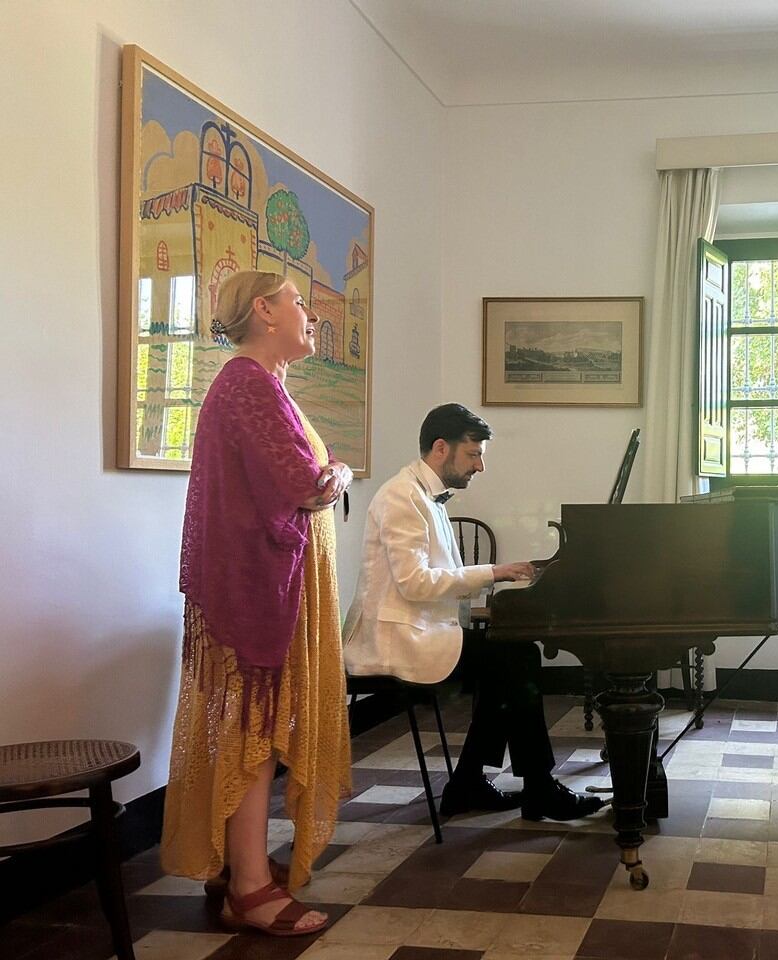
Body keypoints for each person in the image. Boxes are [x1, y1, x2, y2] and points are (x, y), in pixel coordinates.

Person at [161, 271, 353, 937]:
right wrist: (343, 474)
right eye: (298, 302)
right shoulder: (247, 380)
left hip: (263, 584)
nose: (307, 314)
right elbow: (305, 484)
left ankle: (242, 869)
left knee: (254, 736)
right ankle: (249, 886)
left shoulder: (258, 382)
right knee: (254, 736)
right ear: (265, 311)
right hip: (256, 591)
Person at [344, 403, 604, 821]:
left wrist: (499, 576)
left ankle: (471, 784)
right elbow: (415, 582)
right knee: (513, 657)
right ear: (441, 448)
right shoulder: (401, 496)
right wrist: (493, 573)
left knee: (507, 657)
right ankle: (533, 787)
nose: (480, 466)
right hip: (395, 641)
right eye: (473, 454)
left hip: (422, 630)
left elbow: (435, 576)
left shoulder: (423, 494)